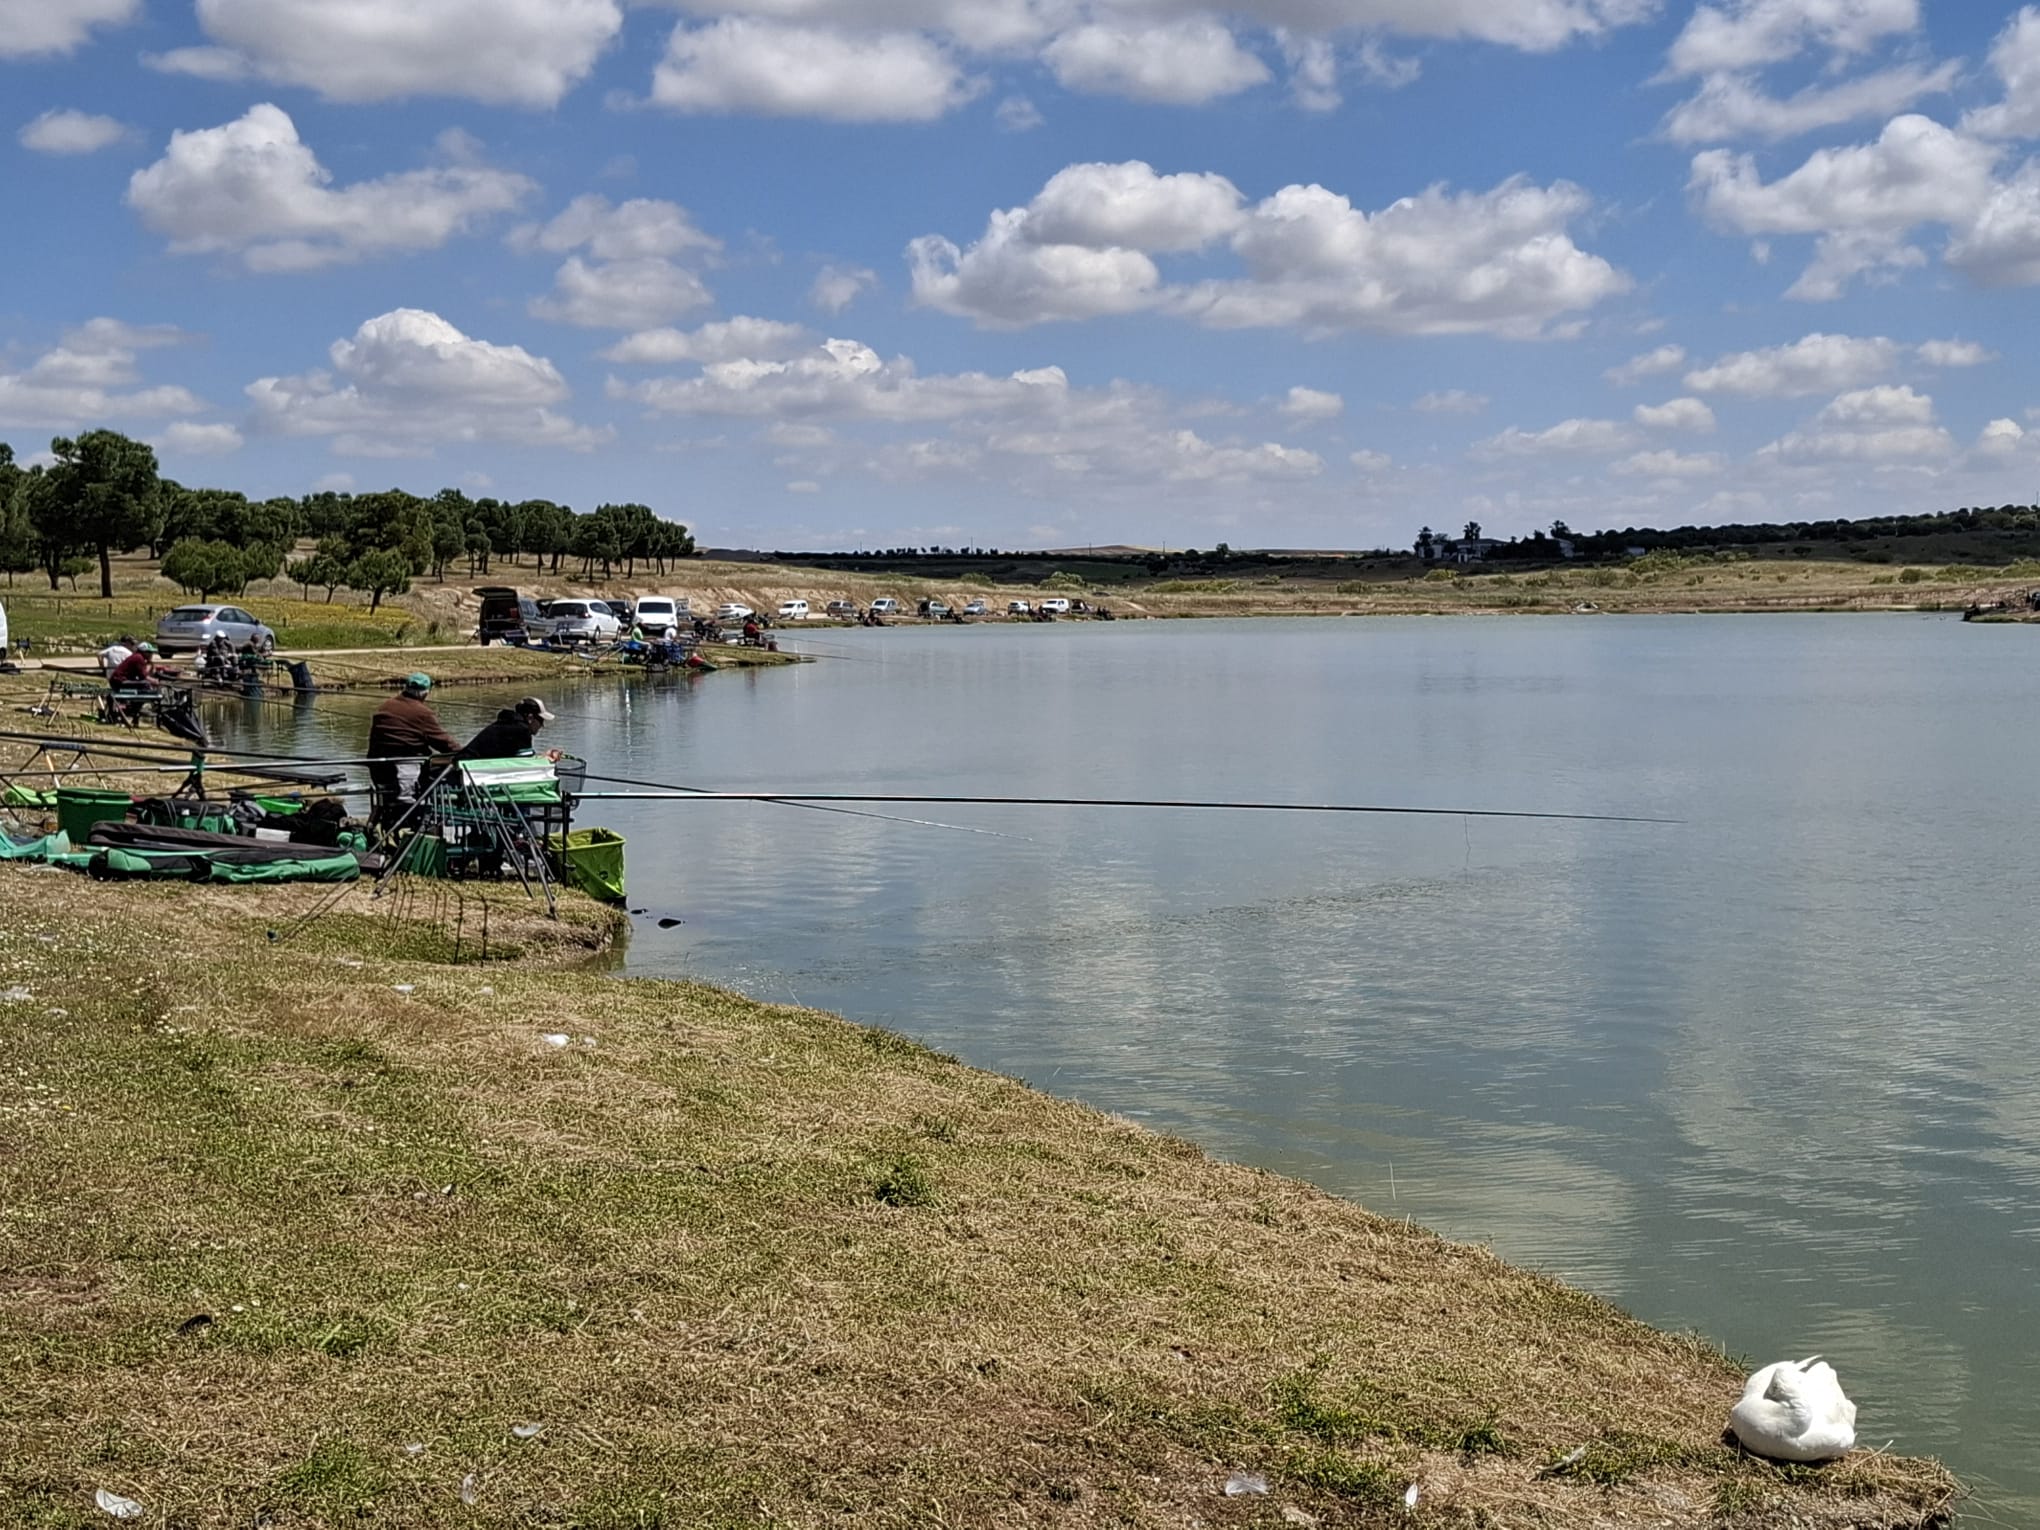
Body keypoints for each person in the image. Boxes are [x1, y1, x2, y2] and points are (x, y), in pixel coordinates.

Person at [366, 673, 458, 817]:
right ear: (426, 692)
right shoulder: (422, 713)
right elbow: (443, 742)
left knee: (392, 809)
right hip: (407, 769)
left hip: (379, 770)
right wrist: (468, 753)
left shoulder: (385, 706)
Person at [458, 696, 558, 761]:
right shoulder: (522, 730)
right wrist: (546, 759)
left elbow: (523, 758)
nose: (542, 726)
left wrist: (543, 756)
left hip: (464, 762)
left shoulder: (509, 723)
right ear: (530, 717)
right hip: (469, 768)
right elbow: (526, 763)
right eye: (541, 720)